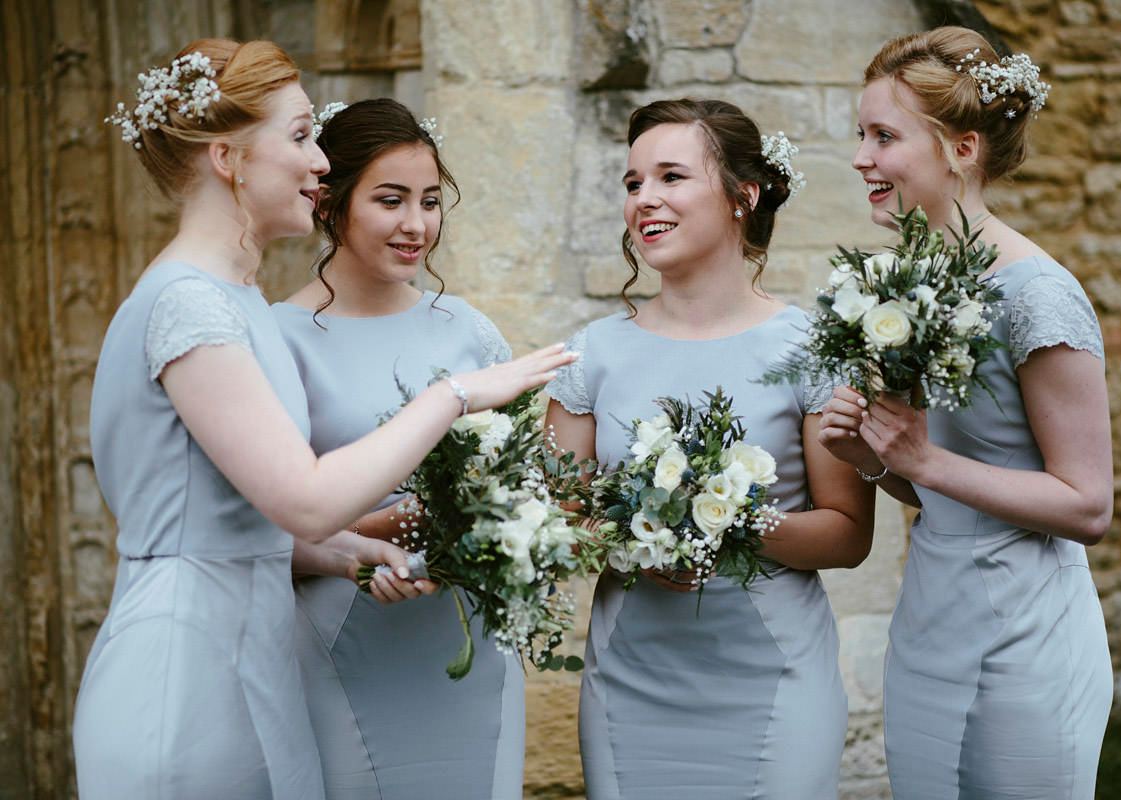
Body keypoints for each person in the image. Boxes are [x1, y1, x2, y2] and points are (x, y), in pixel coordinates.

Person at [75, 40, 573, 799]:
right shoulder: (188, 303)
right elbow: (301, 498)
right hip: (188, 668)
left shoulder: (229, 299)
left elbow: (251, 522)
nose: (319, 164)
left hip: (255, 656)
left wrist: (356, 555)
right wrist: (454, 396)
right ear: (228, 158)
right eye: (302, 137)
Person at [545, 98, 876, 800]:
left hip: (774, 680)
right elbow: (555, 526)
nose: (645, 200)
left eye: (671, 177)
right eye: (634, 183)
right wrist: (633, 538)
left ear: (741, 196)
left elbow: (848, 534)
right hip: (632, 682)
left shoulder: (811, 349)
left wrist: (726, 525)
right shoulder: (591, 354)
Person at [817, 26, 1113, 799]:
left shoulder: (1038, 295)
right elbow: (933, 483)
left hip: (1027, 632)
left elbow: (1086, 504)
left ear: (963, 148)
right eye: (862, 135)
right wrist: (872, 459)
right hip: (929, 621)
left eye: (884, 136)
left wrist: (921, 458)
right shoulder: (913, 287)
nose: (861, 158)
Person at [271, 98, 524, 799]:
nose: (417, 225)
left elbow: (525, 487)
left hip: (467, 641)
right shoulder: (279, 340)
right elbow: (257, 529)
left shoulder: (468, 333)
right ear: (331, 203)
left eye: (431, 201)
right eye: (391, 200)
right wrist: (389, 528)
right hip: (345, 637)